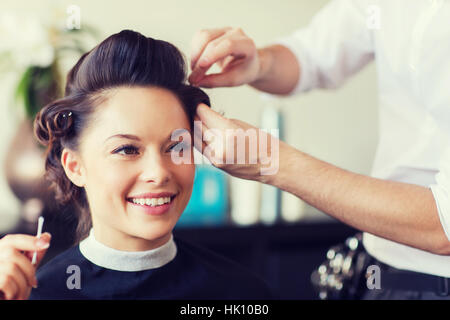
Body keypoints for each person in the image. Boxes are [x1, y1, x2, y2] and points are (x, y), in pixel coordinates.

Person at [188, 0, 450, 299]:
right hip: (380, 271)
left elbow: (444, 226)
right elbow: (313, 55)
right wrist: (260, 62)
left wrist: (270, 161)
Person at [0, 29, 273, 300]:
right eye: (127, 149)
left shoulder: (242, 294)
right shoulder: (35, 295)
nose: (159, 172)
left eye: (177, 147)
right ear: (75, 167)